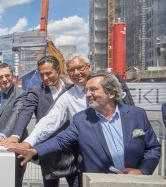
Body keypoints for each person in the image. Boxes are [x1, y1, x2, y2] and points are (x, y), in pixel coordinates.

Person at [10, 72, 161, 177]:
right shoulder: (81, 120)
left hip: (135, 182)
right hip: (99, 185)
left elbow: (153, 148)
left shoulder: (137, 114)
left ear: (111, 93)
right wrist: (35, 150)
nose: (88, 94)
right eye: (87, 90)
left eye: (93, 90)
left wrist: (142, 171)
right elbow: (60, 140)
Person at [10, 55, 80, 187]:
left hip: (73, 150)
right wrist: (16, 136)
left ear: (58, 70)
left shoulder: (72, 89)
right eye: (41, 74)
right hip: (48, 151)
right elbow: (25, 113)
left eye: (49, 73)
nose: (45, 78)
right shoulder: (36, 91)